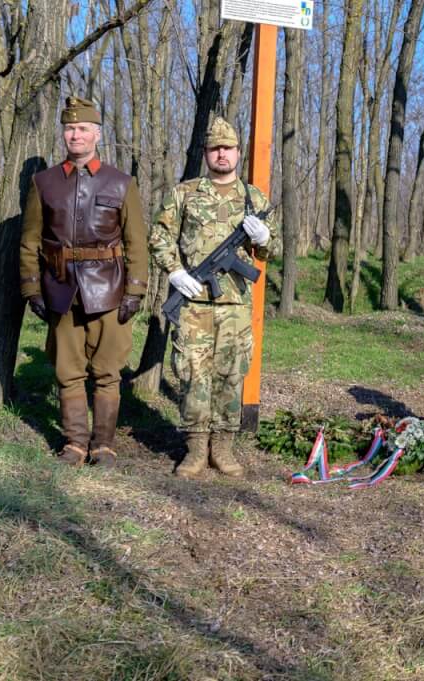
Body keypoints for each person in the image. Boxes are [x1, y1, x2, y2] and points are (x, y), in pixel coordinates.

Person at [19, 96, 149, 467]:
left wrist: (136, 290)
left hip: (110, 290)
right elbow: (30, 240)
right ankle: (75, 444)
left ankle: (104, 445)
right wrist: (32, 287)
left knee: (108, 371)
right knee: (67, 370)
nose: (75, 135)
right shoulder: (43, 182)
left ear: (97, 134)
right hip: (60, 289)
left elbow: (136, 241)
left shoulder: (121, 183)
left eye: (82, 129)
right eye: (69, 128)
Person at [150, 117, 278, 479]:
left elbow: (274, 250)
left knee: (231, 374)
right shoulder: (184, 193)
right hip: (193, 304)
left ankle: (223, 449)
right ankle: (194, 450)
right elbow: (160, 236)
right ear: (206, 154)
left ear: (238, 153)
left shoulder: (254, 198)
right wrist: (175, 271)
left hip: (236, 306)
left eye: (228, 148)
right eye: (215, 148)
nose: (222, 154)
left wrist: (265, 238)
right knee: (192, 375)